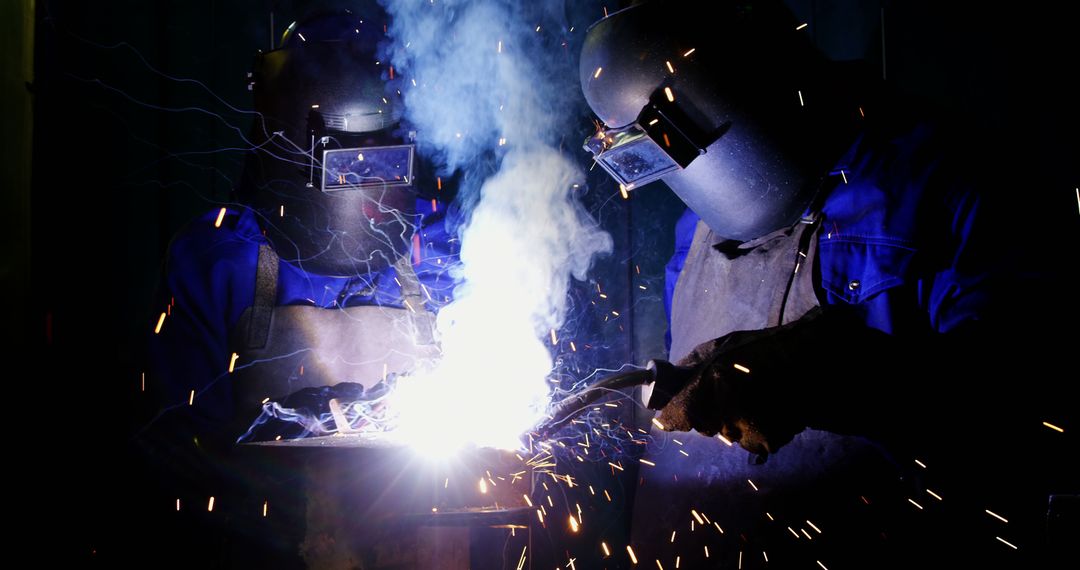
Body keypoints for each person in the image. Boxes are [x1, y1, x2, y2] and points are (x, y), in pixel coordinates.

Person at [579, 1, 1075, 568]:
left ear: (744, 80)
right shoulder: (695, 225)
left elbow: (1030, 405)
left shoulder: (947, 184)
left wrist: (832, 369)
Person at [141, 6, 458, 567]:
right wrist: (289, 440)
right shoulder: (217, 259)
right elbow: (174, 453)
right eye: (347, 167)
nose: (366, 189)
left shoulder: (440, 243)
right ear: (291, 149)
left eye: (382, 163)